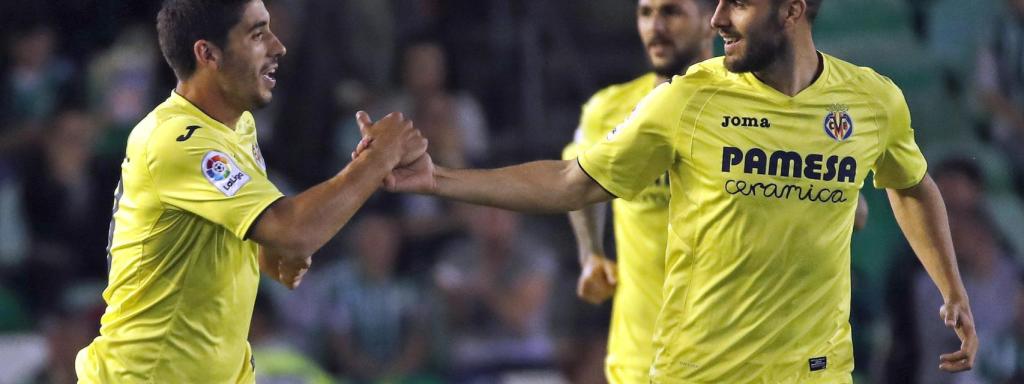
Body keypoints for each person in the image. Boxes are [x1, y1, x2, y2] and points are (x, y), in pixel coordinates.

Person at [357, 0, 977, 382]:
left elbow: (912, 187)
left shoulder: (872, 100)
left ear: (792, 9)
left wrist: (953, 289)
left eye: (736, 3)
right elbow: (572, 181)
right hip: (699, 371)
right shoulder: (689, 98)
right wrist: (439, 179)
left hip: (815, 373)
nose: (716, 19)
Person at [75, 1, 426, 382]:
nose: (278, 46)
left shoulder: (238, 126)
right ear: (207, 53)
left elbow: (208, 234)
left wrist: (266, 252)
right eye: (257, 34)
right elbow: (293, 231)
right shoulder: (177, 140)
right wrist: (379, 158)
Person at [561, 1, 715, 383]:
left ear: (712, 22)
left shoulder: (751, 111)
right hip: (638, 364)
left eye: (672, 12)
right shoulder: (608, 108)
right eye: (646, 13)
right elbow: (576, 183)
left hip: (727, 361)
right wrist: (591, 252)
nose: (655, 26)